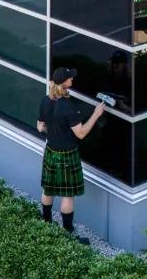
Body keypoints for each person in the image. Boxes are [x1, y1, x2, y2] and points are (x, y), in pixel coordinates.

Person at [37, 67, 105, 242]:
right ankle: (67, 233)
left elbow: (40, 127)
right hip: (67, 154)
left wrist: (53, 129)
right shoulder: (68, 106)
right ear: (65, 83)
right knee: (67, 195)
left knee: (48, 189)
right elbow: (81, 133)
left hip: (51, 150)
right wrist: (96, 115)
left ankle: (45, 223)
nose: (72, 80)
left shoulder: (46, 101)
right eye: (70, 78)